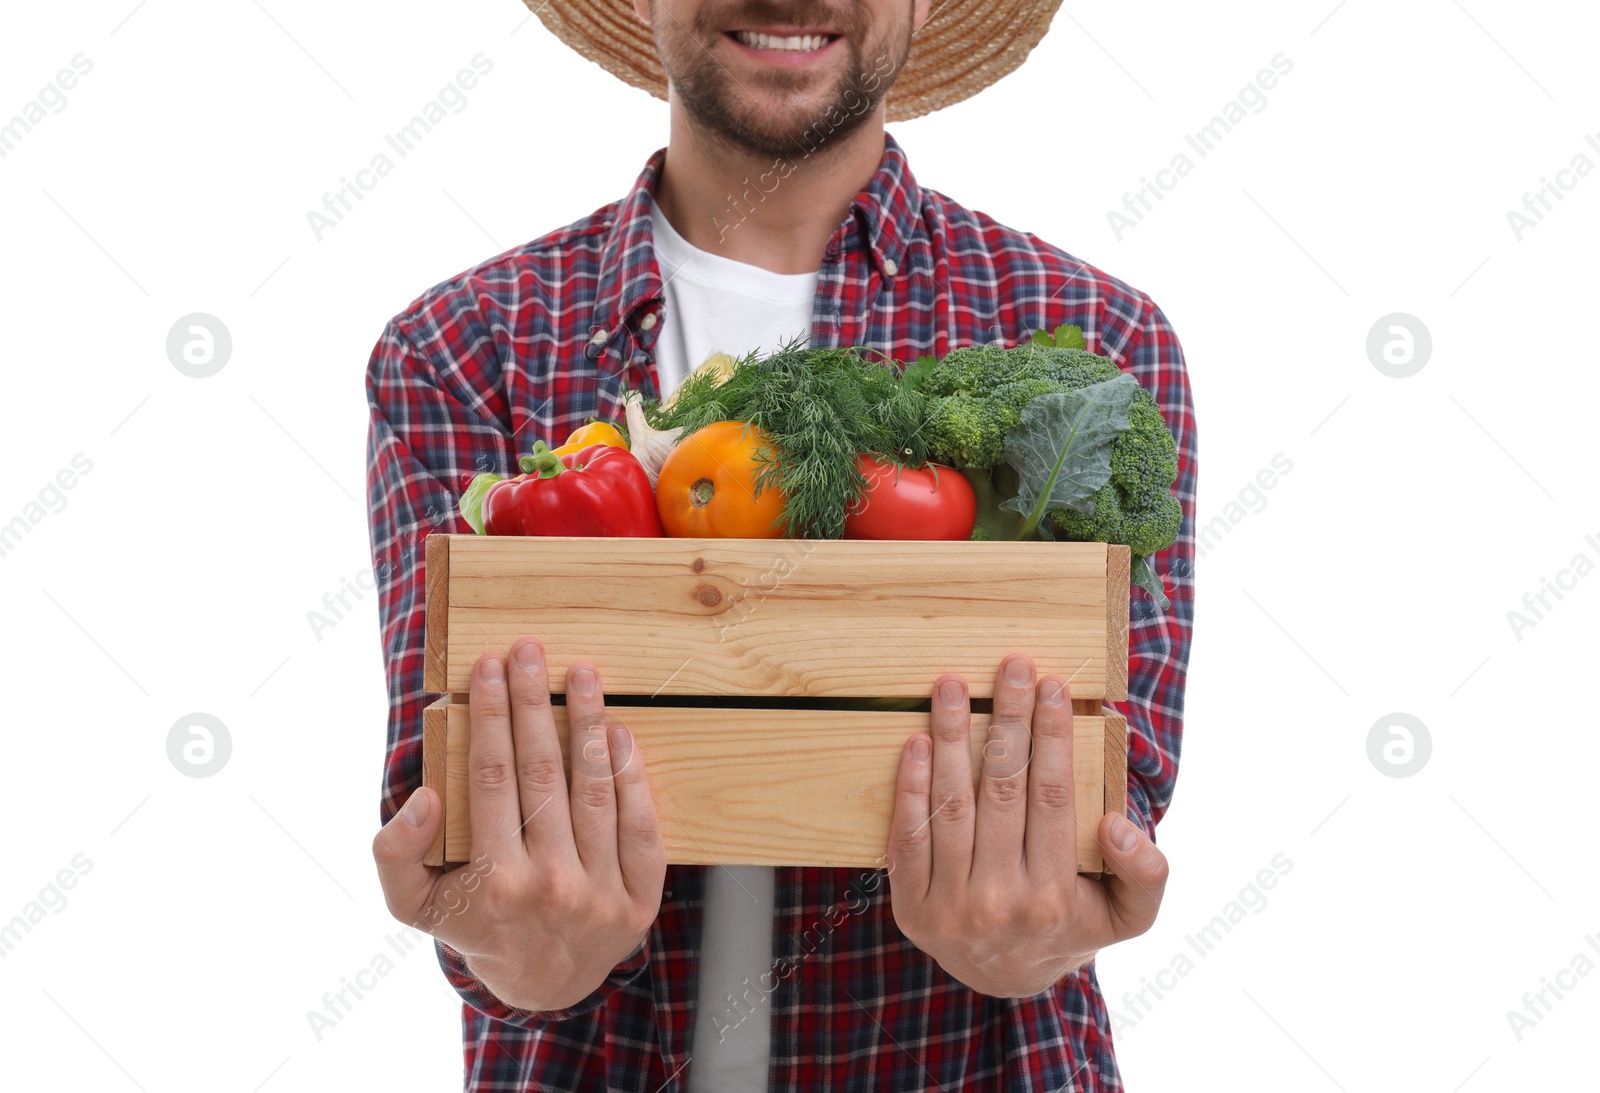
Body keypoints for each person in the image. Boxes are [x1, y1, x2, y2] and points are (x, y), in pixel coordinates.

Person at [367, 1, 1197, 1088]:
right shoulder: (463, 347)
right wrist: (505, 946)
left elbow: (1114, 779)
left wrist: (1050, 925)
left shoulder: (1094, 337)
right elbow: (446, 804)